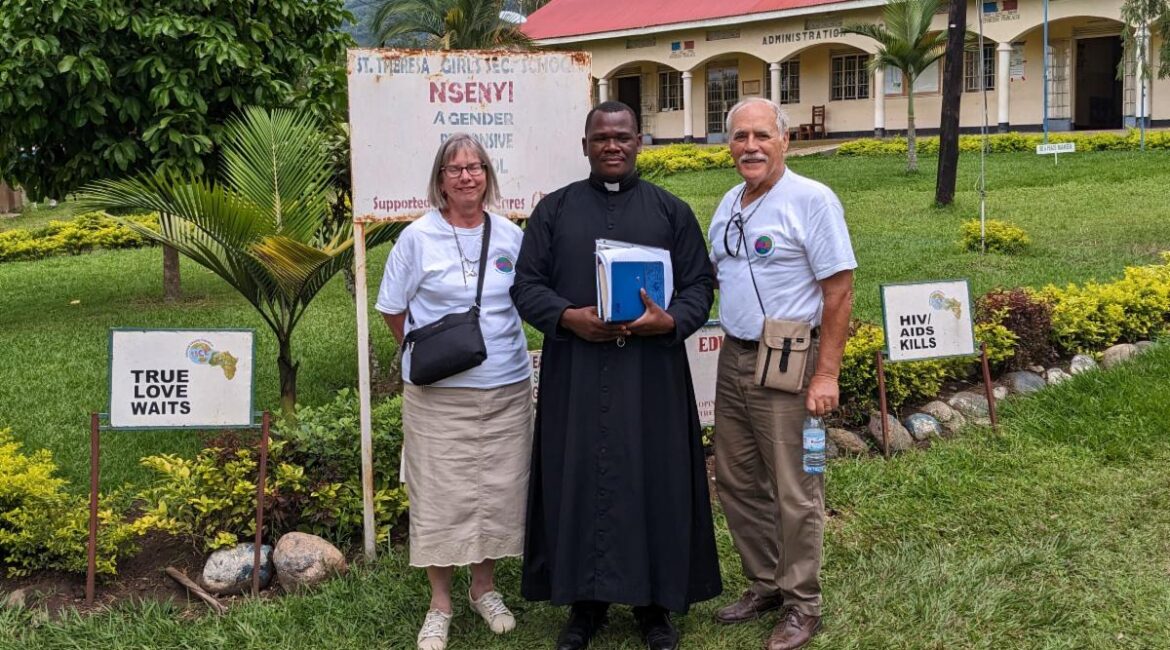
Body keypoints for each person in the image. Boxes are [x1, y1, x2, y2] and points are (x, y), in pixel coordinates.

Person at [511, 101, 722, 650]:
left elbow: (700, 285)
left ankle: (655, 607)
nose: (612, 146)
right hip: (577, 373)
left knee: (656, 478)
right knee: (577, 478)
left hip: (652, 376)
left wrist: (670, 320)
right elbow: (526, 285)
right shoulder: (553, 211)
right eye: (601, 137)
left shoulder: (671, 211)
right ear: (585, 145)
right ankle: (584, 605)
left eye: (622, 136)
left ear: (638, 143)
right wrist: (567, 317)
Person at [708, 97, 856, 650]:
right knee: (736, 479)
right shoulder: (729, 202)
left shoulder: (812, 200)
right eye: (740, 137)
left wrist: (826, 375)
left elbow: (839, 291)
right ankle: (766, 582)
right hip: (735, 356)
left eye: (762, 136)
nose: (750, 147)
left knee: (797, 485)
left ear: (785, 141)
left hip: (792, 358)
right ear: (729, 145)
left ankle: (802, 603)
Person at [376, 133, 533, 650]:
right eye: (455, 169)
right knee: (440, 496)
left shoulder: (510, 235)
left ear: (488, 175)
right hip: (438, 395)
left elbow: (526, 299)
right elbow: (392, 309)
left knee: (496, 491)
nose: (466, 176)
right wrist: (430, 354)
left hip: (506, 387)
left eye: (475, 167)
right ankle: (440, 603)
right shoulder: (417, 237)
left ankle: (483, 588)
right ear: (440, 180)